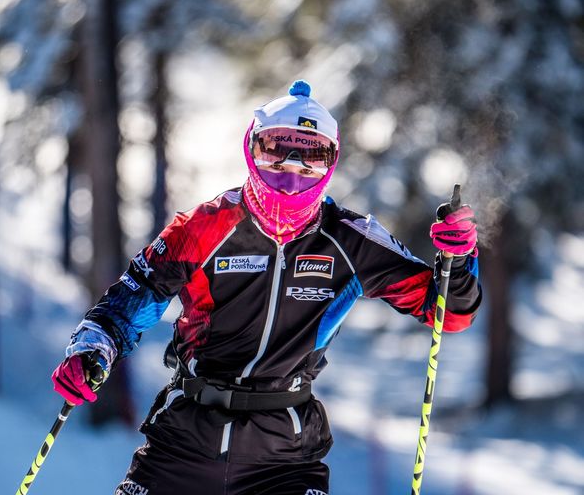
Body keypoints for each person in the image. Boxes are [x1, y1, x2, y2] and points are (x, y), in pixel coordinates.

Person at [52, 80, 481, 495]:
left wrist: (457, 259)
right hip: (186, 440)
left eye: (309, 159)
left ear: (330, 164)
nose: (290, 173)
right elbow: (133, 299)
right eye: (275, 152)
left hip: (285, 457)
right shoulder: (205, 226)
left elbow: (447, 310)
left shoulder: (351, 239)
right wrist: (93, 349)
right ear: (251, 149)